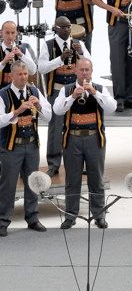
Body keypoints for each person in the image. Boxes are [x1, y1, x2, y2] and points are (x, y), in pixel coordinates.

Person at [52, 57, 117, 229]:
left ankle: (99, 215)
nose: (84, 73)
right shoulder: (67, 89)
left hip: (94, 138)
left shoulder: (100, 89)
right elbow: (57, 110)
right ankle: (70, 216)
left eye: (87, 70)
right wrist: (73, 96)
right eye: (81, 70)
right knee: (72, 179)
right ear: (75, 70)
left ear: (92, 71)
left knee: (96, 179)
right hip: (72, 139)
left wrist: (94, 92)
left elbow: (112, 107)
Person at [0, 60, 52, 237]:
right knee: (8, 185)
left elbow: (49, 116)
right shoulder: (3, 94)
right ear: (11, 76)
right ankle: (3, 221)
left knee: (33, 183)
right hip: (11, 147)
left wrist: (38, 105)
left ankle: (32, 218)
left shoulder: (34, 91)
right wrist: (16, 111)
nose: (23, 77)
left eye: (25, 74)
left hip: (31, 145)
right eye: (20, 74)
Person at [37, 16, 90, 176]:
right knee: (56, 127)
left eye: (68, 27)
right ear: (56, 28)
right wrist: (59, 59)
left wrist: (80, 53)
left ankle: (80, 163)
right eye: (63, 27)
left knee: (78, 124)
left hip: (76, 89)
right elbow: (41, 68)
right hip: (57, 90)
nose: (67, 30)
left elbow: (90, 63)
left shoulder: (78, 43)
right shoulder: (48, 45)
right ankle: (53, 164)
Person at [0, 21, 37, 89]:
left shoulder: (23, 49)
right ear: (1, 33)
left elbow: (33, 71)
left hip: (20, 90)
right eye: (7, 33)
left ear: (16, 33)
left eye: (13, 33)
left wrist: (21, 55)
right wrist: (3, 62)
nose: (10, 36)